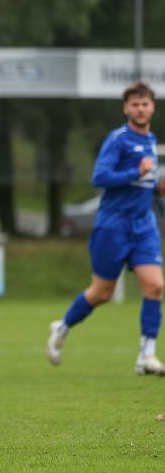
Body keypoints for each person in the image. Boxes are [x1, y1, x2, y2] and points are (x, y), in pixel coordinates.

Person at [48, 82, 165, 376]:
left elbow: (145, 183)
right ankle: (63, 326)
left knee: (155, 285)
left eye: (145, 104)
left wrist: (157, 186)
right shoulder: (118, 139)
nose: (141, 109)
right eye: (135, 105)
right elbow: (100, 178)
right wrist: (135, 171)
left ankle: (147, 357)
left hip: (143, 226)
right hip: (113, 226)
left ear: (153, 107)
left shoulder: (151, 140)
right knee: (101, 293)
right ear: (126, 108)